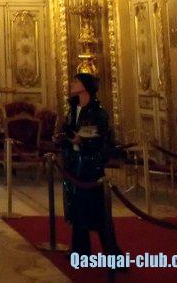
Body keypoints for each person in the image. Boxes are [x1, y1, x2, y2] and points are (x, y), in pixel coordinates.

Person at [59, 72, 122, 258]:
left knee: (97, 212)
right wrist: (64, 139)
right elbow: (70, 131)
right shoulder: (72, 109)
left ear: (85, 87)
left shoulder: (98, 113)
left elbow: (100, 138)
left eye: (76, 81)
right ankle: (80, 250)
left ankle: (113, 255)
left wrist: (82, 141)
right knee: (77, 208)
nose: (72, 83)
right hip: (73, 163)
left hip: (90, 165)